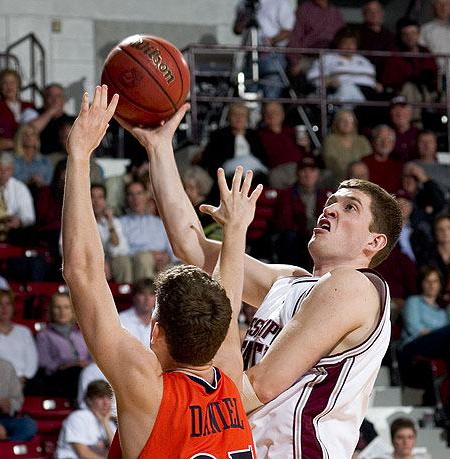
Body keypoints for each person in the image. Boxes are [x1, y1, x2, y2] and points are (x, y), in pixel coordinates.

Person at [118, 91, 402, 457]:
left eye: (349, 207)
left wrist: (177, 406)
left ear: (374, 242)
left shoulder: (355, 285)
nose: (330, 209)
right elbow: (192, 247)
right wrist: (158, 148)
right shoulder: (290, 281)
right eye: (331, 202)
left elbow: (262, 386)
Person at [62, 86, 256, 459]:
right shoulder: (230, 374)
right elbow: (227, 304)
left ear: (156, 332)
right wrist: (235, 233)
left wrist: (79, 154)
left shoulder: (147, 389)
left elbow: (82, 271)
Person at [233, 0, 295, 98]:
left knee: (271, 95)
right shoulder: (244, 4)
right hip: (250, 54)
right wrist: (243, 20)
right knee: (249, 94)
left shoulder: (280, 3)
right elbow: (237, 29)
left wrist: (272, 40)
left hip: (272, 54)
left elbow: (288, 30)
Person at [35, 292, 91, 399]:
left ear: (72, 311)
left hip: (85, 372)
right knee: (76, 372)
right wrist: (69, 364)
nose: (62, 312)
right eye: (58, 307)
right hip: (59, 376)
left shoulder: (82, 335)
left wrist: (87, 364)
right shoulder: (44, 335)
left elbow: (93, 358)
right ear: (51, 311)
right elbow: (45, 363)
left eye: (66, 307)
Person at [117, 181, 175, 282]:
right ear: (127, 199)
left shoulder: (160, 223)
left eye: (139, 193)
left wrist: (168, 257)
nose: (136, 198)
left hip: (161, 263)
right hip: (138, 261)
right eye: (131, 194)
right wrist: (150, 254)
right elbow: (121, 250)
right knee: (144, 258)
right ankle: (147, 296)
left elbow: (173, 249)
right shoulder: (121, 223)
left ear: (146, 196)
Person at [306, 26, 381, 103]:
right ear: (338, 43)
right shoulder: (327, 58)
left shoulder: (364, 60)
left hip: (368, 93)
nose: (349, 46)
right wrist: (329, 81)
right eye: (345, 42)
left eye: (352, 43)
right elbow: (312, 77)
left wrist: (375, 84)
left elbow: (372, 79)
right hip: (341, 91)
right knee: (347, 89)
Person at [198, 102, 267, 179]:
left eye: (242, 115)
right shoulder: (220, 135)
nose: (239, 118)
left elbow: (262, 156)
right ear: (229, 117)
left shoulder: (254, 135)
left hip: (253, 170)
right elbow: (211, 158)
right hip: (229, 172)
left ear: (247, 118)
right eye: (235, 115)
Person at [54, 380, 116, 459]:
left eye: (109, 398)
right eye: (100, 397)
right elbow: (83, 453)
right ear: (89, 400)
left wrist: (106, 423)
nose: (106, 402)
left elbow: (116, 451)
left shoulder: (108, 421)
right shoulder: (78, 417)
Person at [0, 289, 38, 387]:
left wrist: (24, 377)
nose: (4, 308)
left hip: (23, 380)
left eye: (8, 304)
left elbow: (32, 359)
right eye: (0, 304)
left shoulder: (24, 331)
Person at [419, 0, 450, 91]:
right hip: (436, 81)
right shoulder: (425, 30)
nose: (443, 7)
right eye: (440, 4)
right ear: (433, 8)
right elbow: (420, 55)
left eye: (446, 4)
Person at [287, 0, 345, 77]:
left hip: (333, 58)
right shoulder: (305, 9)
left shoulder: (335, 11)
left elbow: (344, 36)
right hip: (309, 58)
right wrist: (294, 61)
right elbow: (296, 35)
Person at [258, 102, 309, 189]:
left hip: (300, 167)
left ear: (282, 115)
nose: (272, 115)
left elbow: (306, 152)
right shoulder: (259, 135)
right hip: (278, 169)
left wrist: (306, 145)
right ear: (263, 116)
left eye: (275, 112)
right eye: (268, 113)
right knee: (275, 177)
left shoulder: (291, 131)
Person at [87, 183, 130, 283]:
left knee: (122, 261)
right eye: (92, 197)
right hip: (88, 261)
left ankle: (124, 294)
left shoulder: (114, 222)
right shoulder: (78, 222)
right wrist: (99, 261)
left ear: (105, 201)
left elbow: (119, 248)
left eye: (100, 197)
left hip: (110, 261)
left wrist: (110, 222)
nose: (96, 202)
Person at [320, 109, 372, 183]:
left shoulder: (362, 140)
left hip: (362, 178)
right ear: (336, 122)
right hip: (339, 178)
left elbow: (368, 161)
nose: (346, 123)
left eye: (350, 119)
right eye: (342, 120)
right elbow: (331, 162)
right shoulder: (330, 140)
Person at [401, 266, 447, 346]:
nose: (431, 285)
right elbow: (414, 329)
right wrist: (439, 337)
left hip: (437, 345)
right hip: (414, 345)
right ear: (421, 283)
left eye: (435, 281)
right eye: (427, 281)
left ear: (440, 284)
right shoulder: (413, 302)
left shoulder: (441, 312)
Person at [31, 83, 75, 155]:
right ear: (44, 100)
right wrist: (51, 112)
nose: (54, 100)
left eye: (58, 96)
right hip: (41, 158)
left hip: (65, 158)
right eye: (50, 96)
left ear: (63, 100)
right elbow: (29, 130)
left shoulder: (71, 120)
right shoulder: (34, 114)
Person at [357, 0, 395, 78]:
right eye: (369, 11)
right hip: (364, 74)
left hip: (387, 75)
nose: (374, 14)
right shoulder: (357, 33)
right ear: (364, 14)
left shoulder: (388, 34)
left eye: (377, 11)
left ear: (382, 13)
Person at [362, 124, 403, 193]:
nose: (384, 143)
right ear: (373, 141)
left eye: (388, 139)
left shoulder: (398, 165)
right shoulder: (364, 163)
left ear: (393, 143)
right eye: (380, 138)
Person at [12, 123, 53, 189]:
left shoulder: (45, 161)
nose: (29, 137)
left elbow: (48, 183)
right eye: (25, 134)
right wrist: (28, 182)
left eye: (32, 134)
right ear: (20, 137)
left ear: (37, 138)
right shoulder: (12, 159)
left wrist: (40, 181)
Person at [118, 279, 155, 347]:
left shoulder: (162, 319)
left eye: (151, 294)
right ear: (134, 297)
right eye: (142, 294)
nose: (147, 298)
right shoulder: (121, 319)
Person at [389, 96, 420, 163]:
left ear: (410, 112)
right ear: (390, 113)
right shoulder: (386, 135)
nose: (399, 113)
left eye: (403, 108)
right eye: (395, 109)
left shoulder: (419, 134)